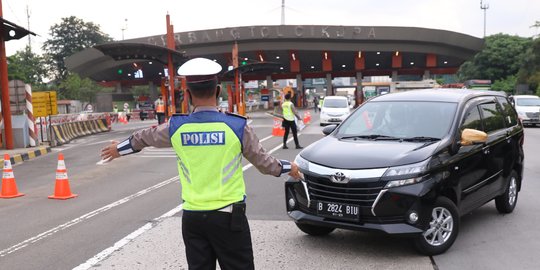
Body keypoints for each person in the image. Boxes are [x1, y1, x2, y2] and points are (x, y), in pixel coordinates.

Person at [100, 57, 301, 270]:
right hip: (229, 217)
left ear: (187, 95)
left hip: (193, 218)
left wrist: (117, 149)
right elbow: (265, 163)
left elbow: (143, 138)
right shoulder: (237, 126)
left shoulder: (176, 127)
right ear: (218, 91)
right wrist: (291, 168)